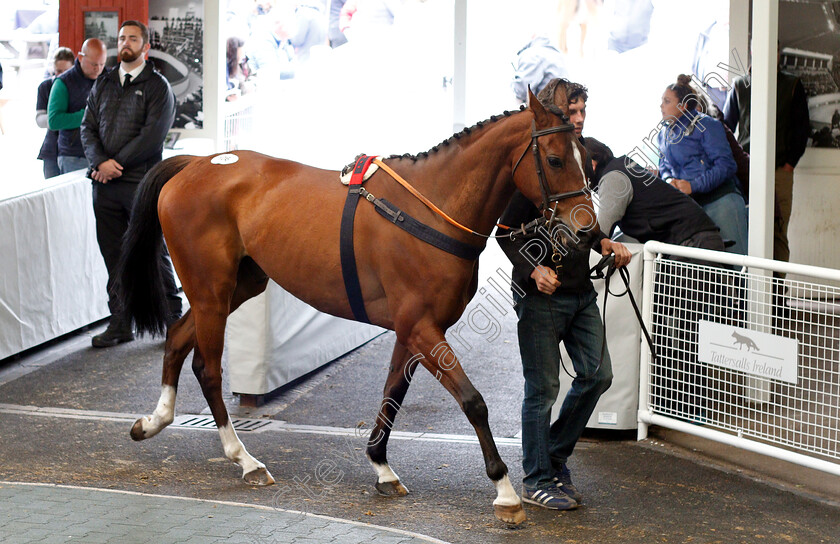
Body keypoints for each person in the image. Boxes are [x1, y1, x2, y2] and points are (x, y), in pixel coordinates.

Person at [498, 79, 630, 511]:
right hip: (541, 296)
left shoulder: (582, 155)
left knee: (598, 376)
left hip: (580, 291)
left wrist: (604, 242)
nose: (577, 120)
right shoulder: (535, 165)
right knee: (542, 390)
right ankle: (537, 478)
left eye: (581, 112)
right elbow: (504, 232)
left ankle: (551, 457)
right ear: (554, 113)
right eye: (570, 113)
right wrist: (532, 268)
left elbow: (583, 217)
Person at [80, 20, 182, 348]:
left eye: (133, 38)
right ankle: (121, 321)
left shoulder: (157, 86)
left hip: (141, 184)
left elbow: (151, 137)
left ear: (145, 47)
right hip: (104, 186)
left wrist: (114, 166)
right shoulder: (105, 82)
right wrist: (99, 163)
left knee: (151, 251)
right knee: (113, 255)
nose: (126, 42)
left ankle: (174, 322)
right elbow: (87, 127)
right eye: (122, 37)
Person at [723, 59, 810, 265]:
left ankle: (777, 293)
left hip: (779, 169)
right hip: (746, 170)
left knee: (778, 230)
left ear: (778, 52)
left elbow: (802, 128)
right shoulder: (739, 85)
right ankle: (750, 290)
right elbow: (726, 127)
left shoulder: (792, 85)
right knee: (746, 227)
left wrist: (789, 164)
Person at [658, 74, 748, 255]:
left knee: (739, 268)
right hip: (692, 208)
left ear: (682, 106)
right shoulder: (663, 134)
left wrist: (693, 185)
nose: (661, 106)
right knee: (704, 272)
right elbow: (664, 164)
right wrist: (668, 180)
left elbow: (726, 165)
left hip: (722, 203)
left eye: (667, 101)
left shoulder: (708, 125)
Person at [585, 137, 725, 252]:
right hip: (695, 238)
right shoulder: (621, 167)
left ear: (592, 164)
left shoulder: (613, 177)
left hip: (692, 242)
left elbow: (600, 235)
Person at [47, 39, 107, 175]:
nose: (98, 68)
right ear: (80, 57)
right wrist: (87, 116)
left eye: (102, 64)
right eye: (93, 64)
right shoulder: (63, 82)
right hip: (74, 156)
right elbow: (54, 121)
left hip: (104, 155)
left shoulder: (107, 79)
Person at [36, 47, 75, 179]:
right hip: (51, 147)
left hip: (73, 148)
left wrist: (61, 119)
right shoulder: (45, 86)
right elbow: (39, 120)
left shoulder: (79, 88)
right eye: (59, 71)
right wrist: (58, 119)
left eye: (66, 71)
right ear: (53, 68)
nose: (62, 76)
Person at [511, 35, 569, 103]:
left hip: (546, 109)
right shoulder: (556, 55)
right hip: (560, 107)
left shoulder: (534, 54)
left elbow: (522, 91)